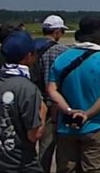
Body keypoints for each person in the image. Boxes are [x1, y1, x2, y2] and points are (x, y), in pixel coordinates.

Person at [47, 16, 100, 173]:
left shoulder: (62, 59)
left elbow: (51, 90)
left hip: (66, 126)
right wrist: (88, 113)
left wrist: (68, 110)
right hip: (97, 126)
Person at [0, 30, 48, 172]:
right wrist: (44, 113)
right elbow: (34, 135)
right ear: (28, 56)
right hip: (19, 164)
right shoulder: (27, 88)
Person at [38, 14, 70, 173]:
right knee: (58, 146)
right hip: (57, 103)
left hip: (39, 101)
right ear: (56, 31)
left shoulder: (34, 48)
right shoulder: (62, 51)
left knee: (42, 145)